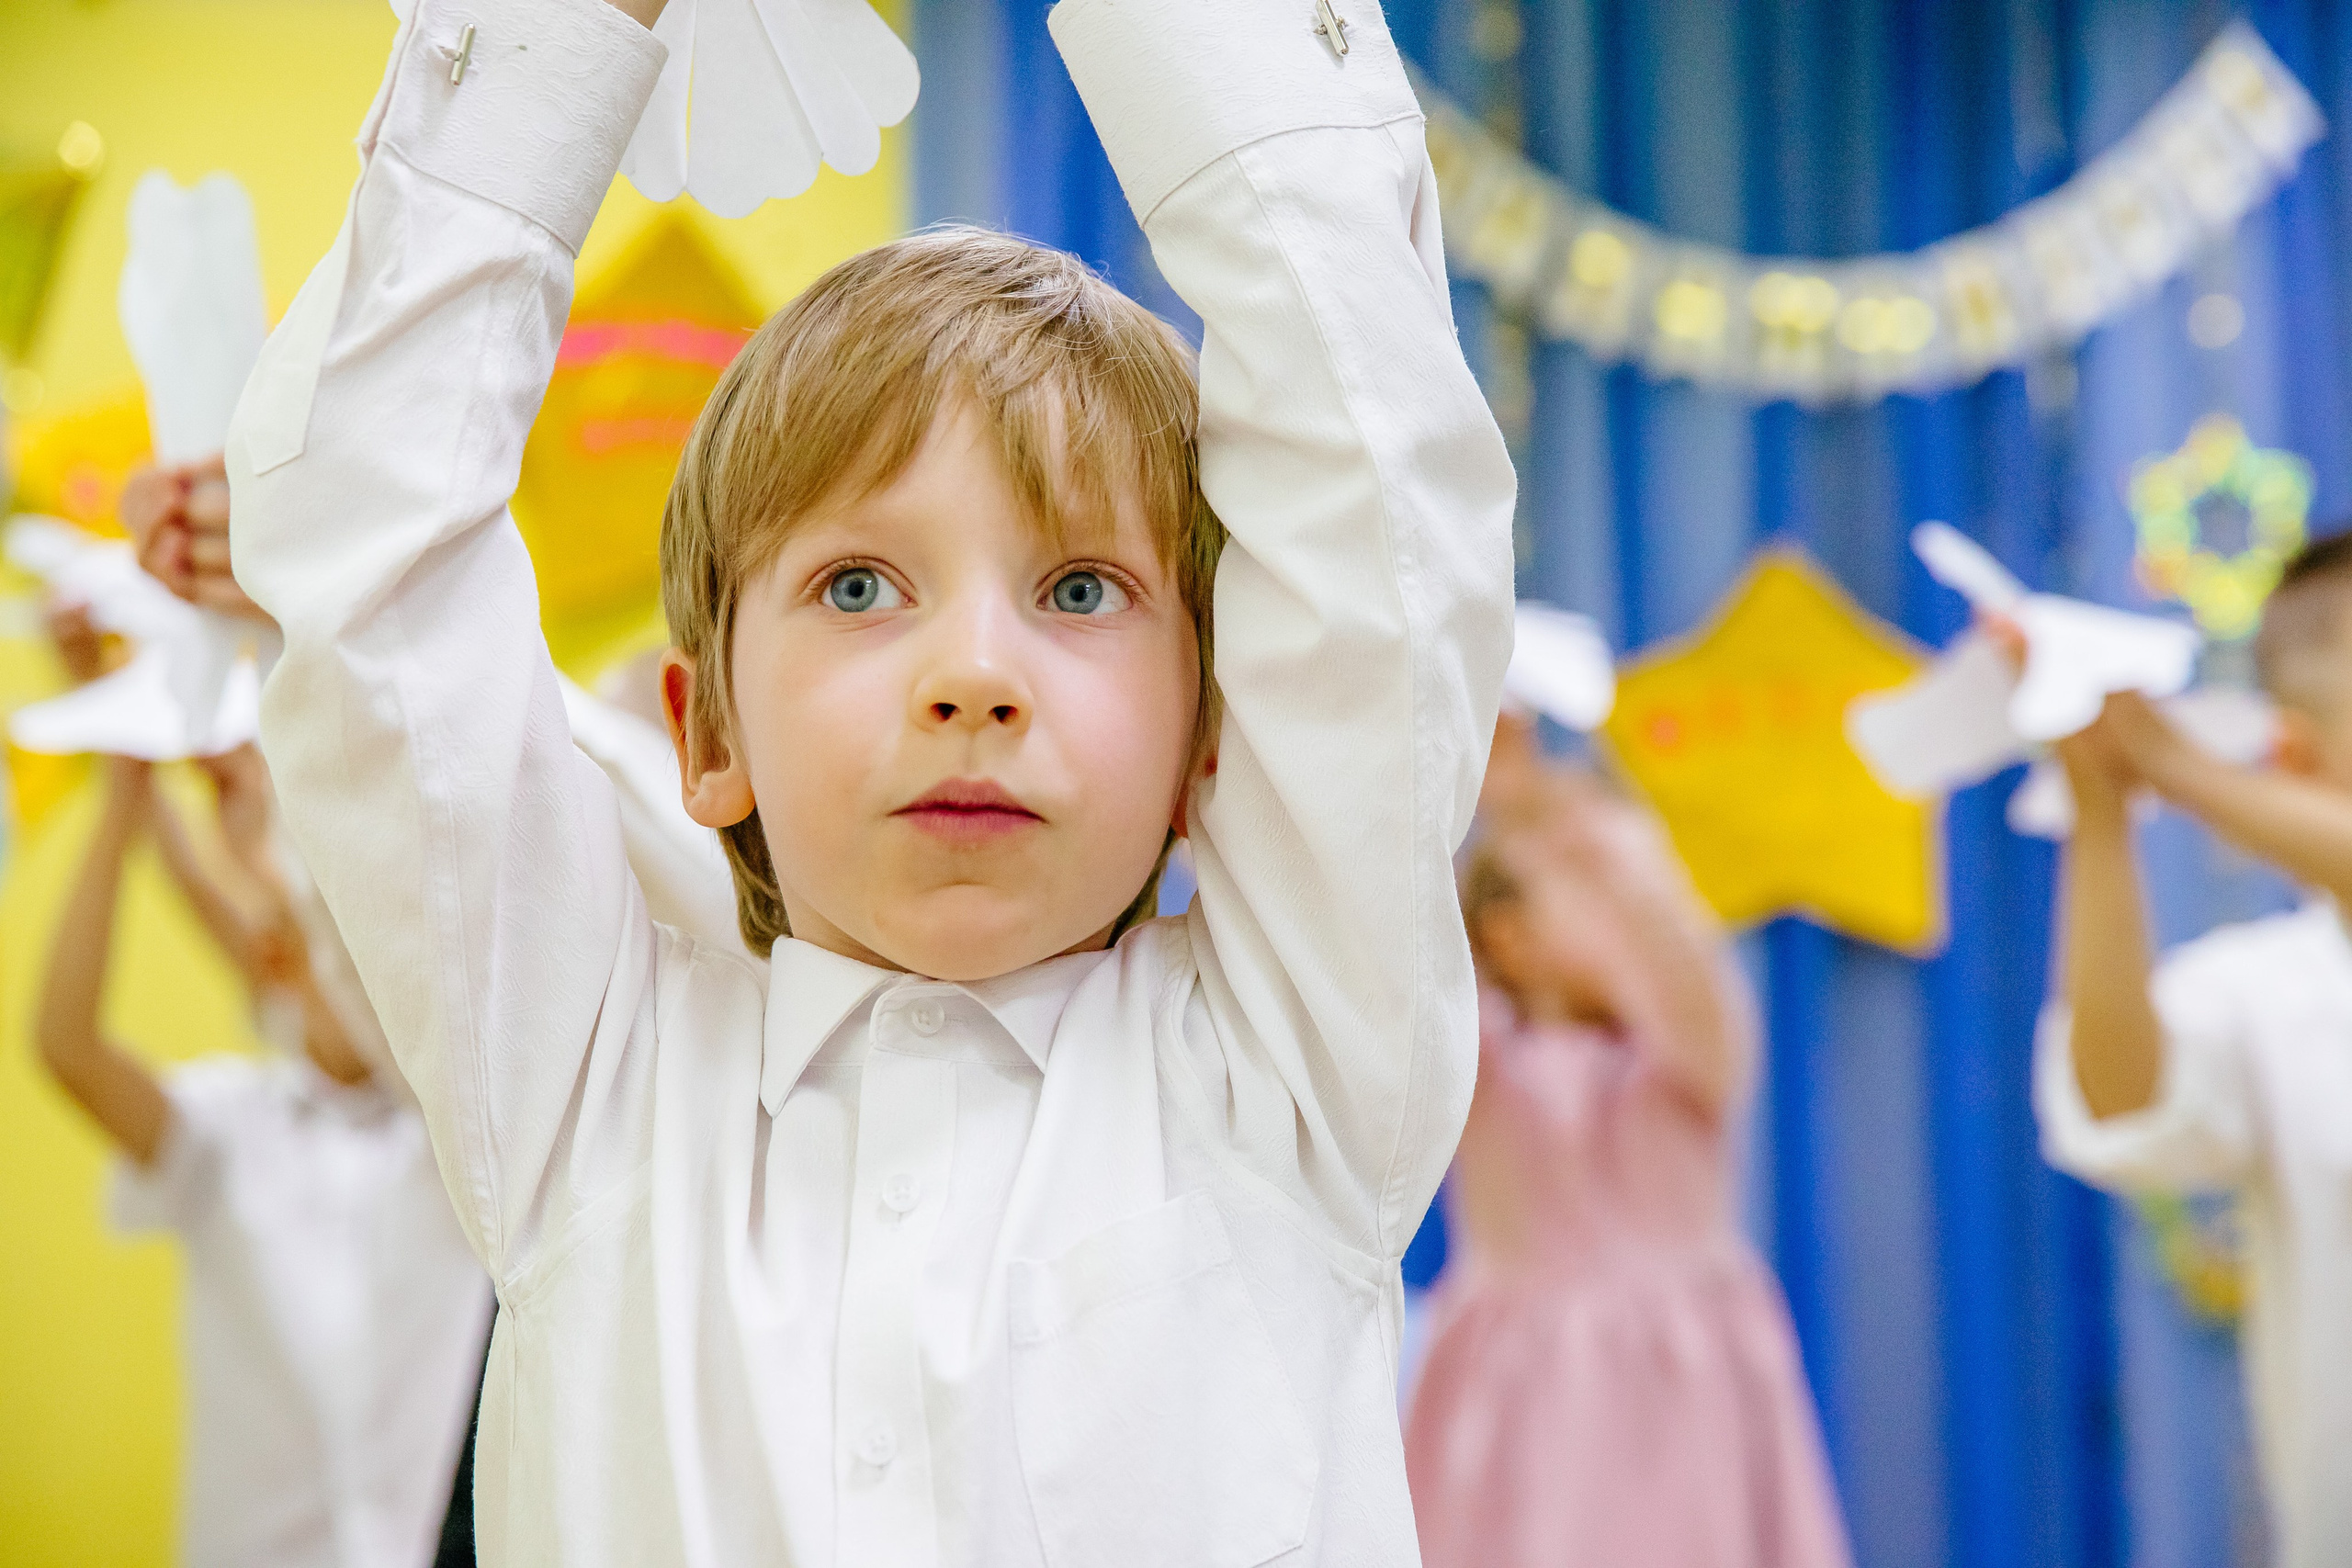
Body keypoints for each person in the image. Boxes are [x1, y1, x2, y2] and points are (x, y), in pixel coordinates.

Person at [219, 0, 1515, 1561]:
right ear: (709, 737)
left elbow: (1375, 482)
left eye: (1082, 592)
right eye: (857, 589)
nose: (973, 676)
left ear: (1213, 740)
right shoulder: (583, 1087)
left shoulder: (1295, 1075)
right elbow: (374, 562)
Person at [32, 739, 492, 1568]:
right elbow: (67, 1044)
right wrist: (122, 804)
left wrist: (255, 826)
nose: (364, 974)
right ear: (280, 958)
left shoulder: (464, 1144)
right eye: (327, 940)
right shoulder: (228, 1131)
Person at [1404, 717, 1851, 1568]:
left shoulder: (1684, 1061)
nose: (1619, 897)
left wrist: (1609, 854)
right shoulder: (1485, 1061)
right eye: (1577, 879)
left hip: (1683, 1395)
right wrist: (1474, 812)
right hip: (1527, 1403)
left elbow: (1679, 959)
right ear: (1504, 935)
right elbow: (1413, 984)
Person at [2034, 532, 2352, 1568]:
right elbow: (2122, 1098)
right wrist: (2100, 813)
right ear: (2298, 755)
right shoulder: (2266, 988)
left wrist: (2174, 763)